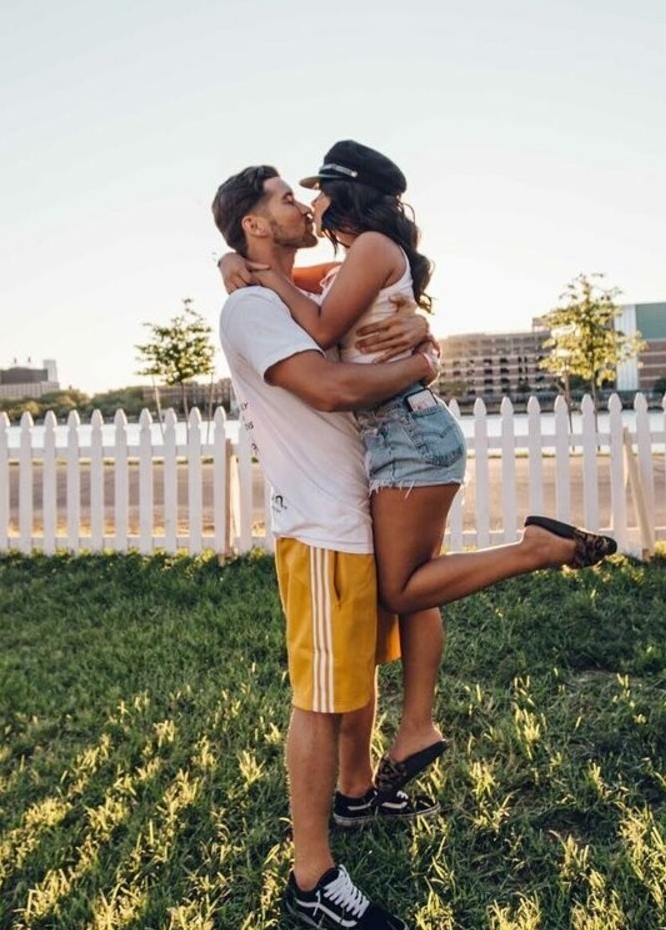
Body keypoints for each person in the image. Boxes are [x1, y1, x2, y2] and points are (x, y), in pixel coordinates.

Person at [219, 141, 617, 799]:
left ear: (347, 192)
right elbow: (294, 277)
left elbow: (319, 328)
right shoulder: (355, 259)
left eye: (318, 190)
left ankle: (535, 550)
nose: (311, 203)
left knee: (403, 590)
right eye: (296, 195)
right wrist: (234, 262)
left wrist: (421, 355)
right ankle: (415, 729)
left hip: (407, 432)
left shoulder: (373, 248)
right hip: (397, 435)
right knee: (411, 587)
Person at [213, 164, 444, 930]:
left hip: (357, 511)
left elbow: (361, 304)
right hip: (318, 526)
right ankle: (313, 878)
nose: (303, 206)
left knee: (357, 676)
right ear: (254, 224)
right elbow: (333, 388)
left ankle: (355, 793)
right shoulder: (250, 309)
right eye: (284, 199)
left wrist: (423, 333)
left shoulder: (286, 288)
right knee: (318, 699)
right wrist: (421, 364)